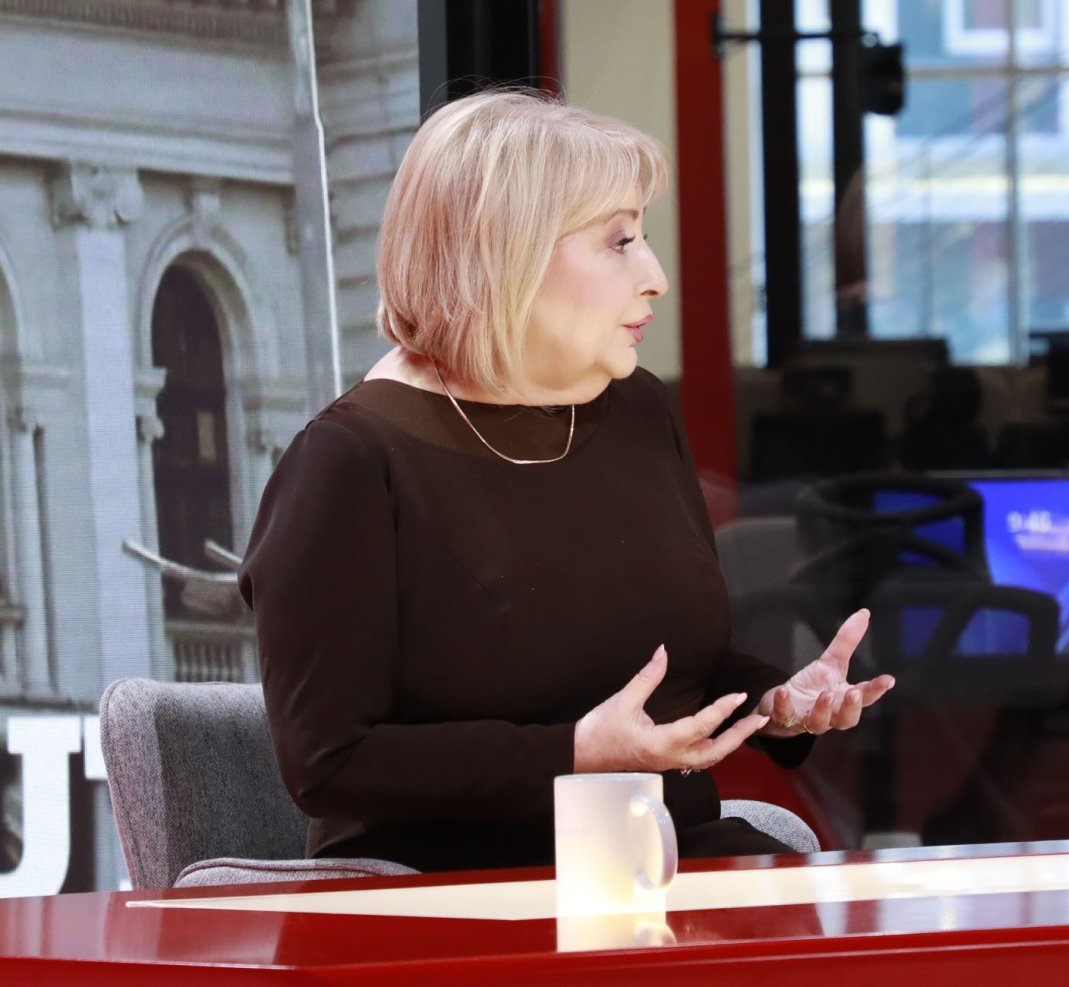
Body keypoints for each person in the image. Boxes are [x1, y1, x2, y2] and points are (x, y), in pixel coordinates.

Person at [239, 89, 893, 873]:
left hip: (651, 861)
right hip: (449, 885)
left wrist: (778, 703)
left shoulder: (637, 409)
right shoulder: (348, 460)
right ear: (503, 253)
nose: (655, 276)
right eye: (620, 242)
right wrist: (576, 752)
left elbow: (677, 665)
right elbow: (328, 762)